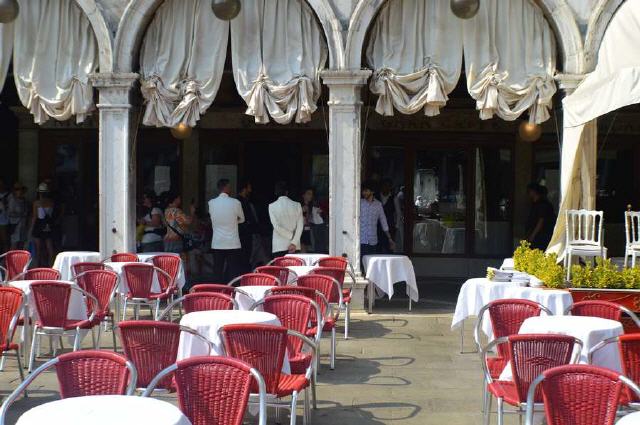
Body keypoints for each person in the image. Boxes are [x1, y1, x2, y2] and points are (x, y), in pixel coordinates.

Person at [209, 179, 245, 282]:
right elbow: (242, 219)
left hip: (217, 242)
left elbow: (214, 218)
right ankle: (232, 293)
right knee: (233, 271)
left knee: (217, 270)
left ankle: (218, 293)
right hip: (232, 242)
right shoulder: (235, 202)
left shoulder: (211, 203)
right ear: (226, 187)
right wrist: (233, 221)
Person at [269, 181, 303, 258]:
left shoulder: (271, 206)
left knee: (280, 269)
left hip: (279, 246)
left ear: (276, 192)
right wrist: (294, 241)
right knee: (295, 269)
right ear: (287, 192)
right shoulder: (297, 205)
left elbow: (276, 227)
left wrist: (291, 236)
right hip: (295, 245)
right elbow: (300, 226)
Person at [163, 192, 195, 276]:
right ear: (176, 199)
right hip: (177, 239)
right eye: (179, 198)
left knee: (170, 263)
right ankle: (182, 284)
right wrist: (192, 212)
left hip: (168, 239)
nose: (180, 200)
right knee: (180, 263)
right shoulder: (176, 211)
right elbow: (188, 221)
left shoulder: (166, 210)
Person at [361, 181, 395, 258]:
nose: (364, 193)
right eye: (363, 191)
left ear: (372, 191)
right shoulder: (360, 203)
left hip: (373, 240)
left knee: (371, 264)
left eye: (366, 190)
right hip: (361, 240)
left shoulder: (378, 204)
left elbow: (383, 222)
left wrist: (390, 239)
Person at [31, 182, 56, 266]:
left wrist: (31, 228)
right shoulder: (51, 202)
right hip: (48, 225)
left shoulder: (36, 203)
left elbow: (35, 217)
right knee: (49, 247)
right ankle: (52, 265)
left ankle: (37, 265)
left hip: (39, 224)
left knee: (38, 248)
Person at [525, 183, 556, 250]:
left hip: (541, 236)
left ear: (534, 192)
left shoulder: (543, 204)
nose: (528, 193)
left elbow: (541, 221)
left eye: (529, 191)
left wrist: (533, 235)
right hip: (536, 234)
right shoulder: (535, 204)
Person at [237, 180, 259, 273]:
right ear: (244, 189)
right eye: (249, 188)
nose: (250, 190)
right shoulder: (241, 202)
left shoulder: (238, 201)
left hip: (241, 233)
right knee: (245, 257)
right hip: (244, 233)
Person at [300, 188, 323, 253]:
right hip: (301, 230)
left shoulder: (312, 206)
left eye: (311, 194)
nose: (311, 196)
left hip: (308, 230)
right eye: (308, 194)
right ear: (303, 195)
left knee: (307, 247)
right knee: (303, 247)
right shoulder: (299, 206)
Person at [376, 179, 395, 254]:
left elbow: (397, 213)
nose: (386, 188)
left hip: (390, 225)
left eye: (388, 186)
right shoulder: (376, 198)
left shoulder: (393, 198)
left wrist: (396, 226)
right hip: (377, 226)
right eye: (384, 186)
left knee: (389, 246)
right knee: (378, 246)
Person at [7, 183, 28, 250]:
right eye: (17, 189)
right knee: (14, 244)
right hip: (15, 225)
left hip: (23, 225)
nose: (20, 191)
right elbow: (9, 213)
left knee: (21, 243)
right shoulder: (12, 200)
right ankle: (11, 260)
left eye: (21, 189)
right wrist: (20, 215)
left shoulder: (24, 200)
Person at [0, 179, 9, 253]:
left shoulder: (8, 195)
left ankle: (6, 258)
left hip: (4, 220)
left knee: (4, 240)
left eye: (1, 184)